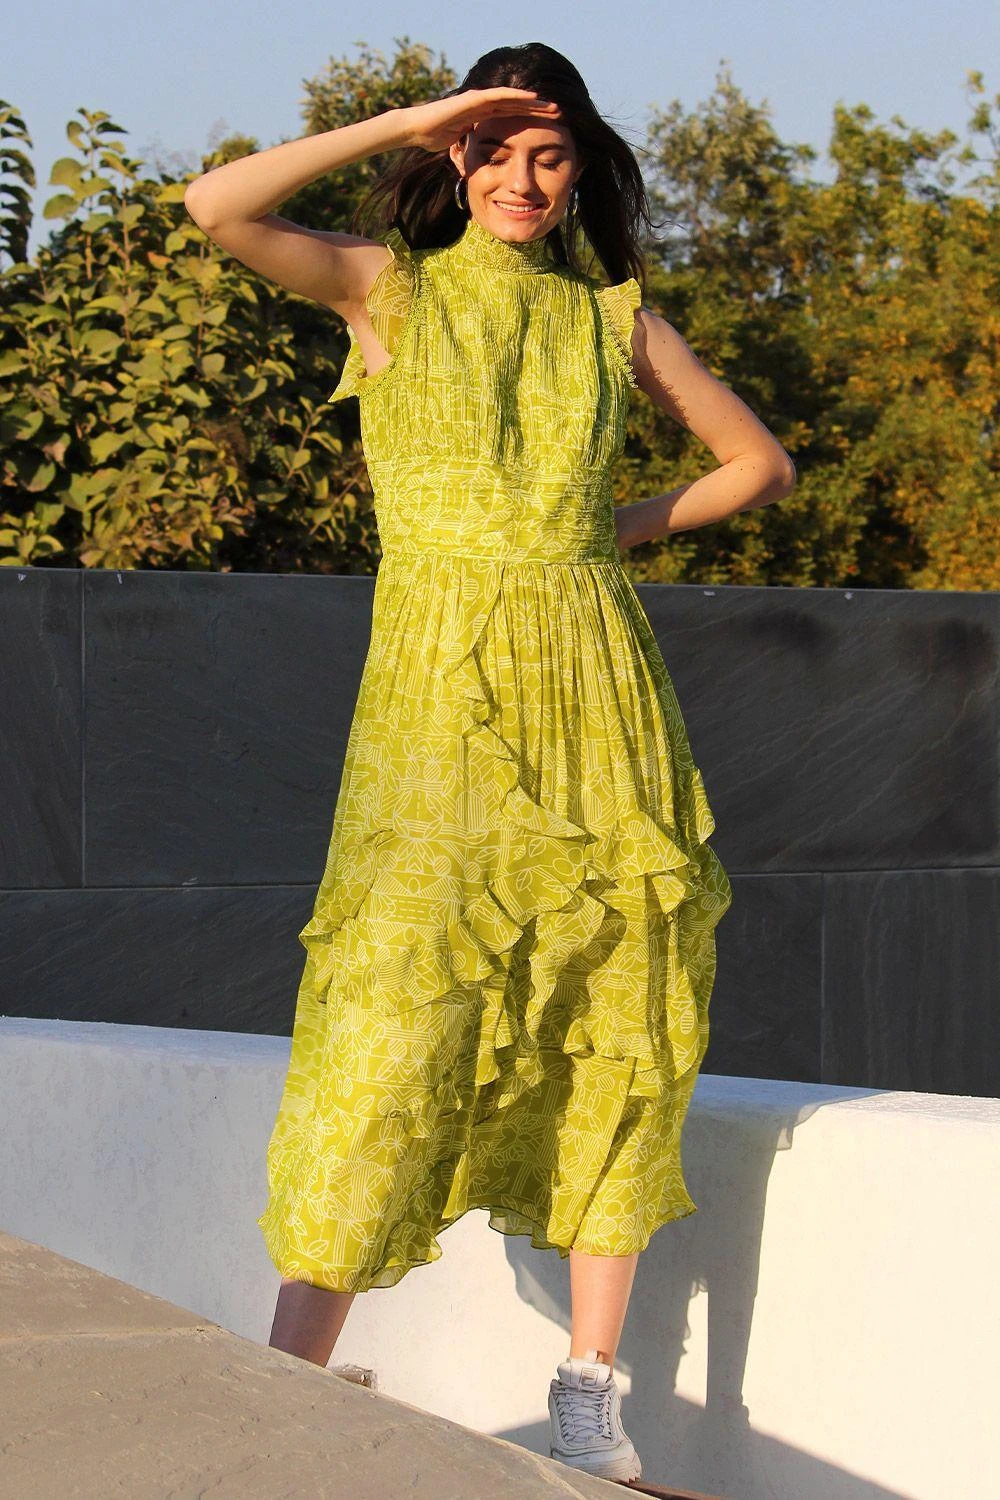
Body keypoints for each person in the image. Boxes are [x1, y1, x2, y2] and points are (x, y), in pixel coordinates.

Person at [185, 40, 794, 1486]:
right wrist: (414, 116)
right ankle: (289, 1380)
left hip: (597, 693)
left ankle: (590, 1392)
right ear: (453, 160)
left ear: (581, 171)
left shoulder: (615, 320)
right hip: (435, 707)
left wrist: (596, 535)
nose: (524, 178)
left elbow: (757, 463)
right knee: (390, 1020)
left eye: (550, 154)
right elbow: (217, 205)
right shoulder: (387, 290)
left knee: (616, 1005)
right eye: (495, 149)